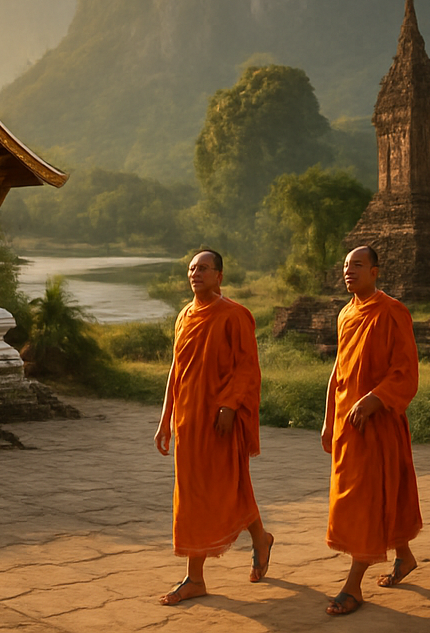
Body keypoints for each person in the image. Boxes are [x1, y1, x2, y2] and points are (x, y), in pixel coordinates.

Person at [153, 248, 272, 605]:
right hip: (188, 422)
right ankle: (199, 576)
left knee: (229, 486)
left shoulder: (235, 315)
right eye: (192, 268)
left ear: (219, 276)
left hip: (220, 421)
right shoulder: (184, 316)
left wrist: (230, 404)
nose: (196, 273)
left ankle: (250, 544)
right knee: (191, 497)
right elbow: (177, 369)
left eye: (204, 268)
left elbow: (247, 367)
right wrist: (165, 420)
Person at [319, 245, 422, 616]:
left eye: (358, 265)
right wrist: (329, 417)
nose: (349, 271)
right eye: (346, 265)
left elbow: (406, 371)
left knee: (366, 499)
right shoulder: (347, 313)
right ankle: (404, 556)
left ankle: (353, 586)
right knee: (376, 495)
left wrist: (375, 399)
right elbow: (340, 370)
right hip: (349, 424)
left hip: (379, 422)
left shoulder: (392, 312)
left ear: (375, 272)